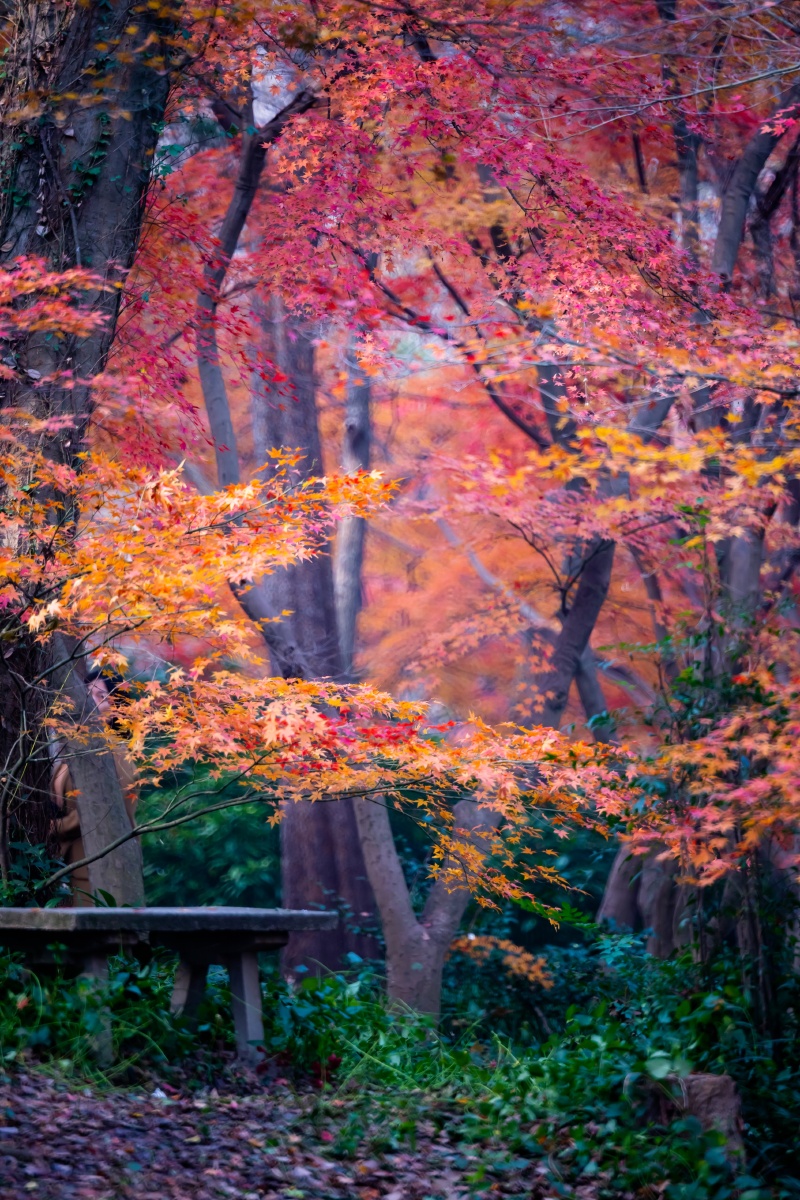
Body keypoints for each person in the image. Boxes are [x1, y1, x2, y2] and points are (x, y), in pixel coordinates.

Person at [50, 668, 138, 906]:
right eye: (87, 695)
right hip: (71, 868)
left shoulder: (115, 752)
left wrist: (50, 829)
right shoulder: (79, 750)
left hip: (99, 872)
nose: (90, 702)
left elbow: (105, 808)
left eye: (100, 697)